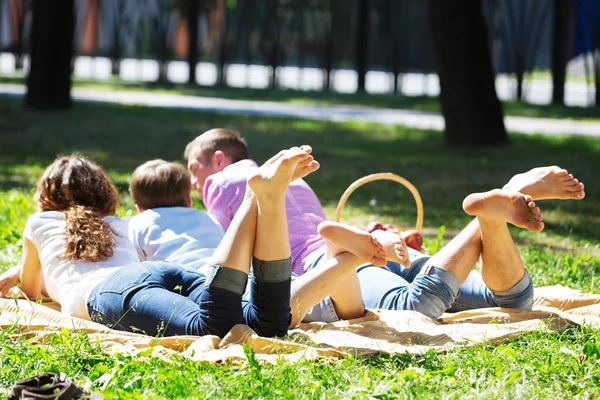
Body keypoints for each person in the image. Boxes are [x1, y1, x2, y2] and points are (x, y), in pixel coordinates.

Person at [185, 128, 586, 319]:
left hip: (339, 264)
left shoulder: (223, 184)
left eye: (194, 170)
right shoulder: (291, 173)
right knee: (514, 303)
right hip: (381, 250)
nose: (193, 182)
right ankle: (493, 218)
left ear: (218, 159)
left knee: (415, 309)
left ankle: (491, 209)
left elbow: (240, 251)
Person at [12, 149, 325, 338]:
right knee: (268, 323)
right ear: (103, 193)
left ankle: (252, 198)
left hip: (109, 291)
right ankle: (269, 201)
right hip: (162, 272)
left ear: (45, 197)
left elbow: (30, 288)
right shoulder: (121, 224)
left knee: (210, 327)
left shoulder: (39, 223)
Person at [127, 158, 406, 326]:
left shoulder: (140, 223)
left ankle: (346, 254)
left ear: (138, 207)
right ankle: (342, 252)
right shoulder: (205, 219)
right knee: (342, 309)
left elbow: (139, 273)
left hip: (208, 285)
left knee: (284, 315)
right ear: (189, 199)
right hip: (245, 276)